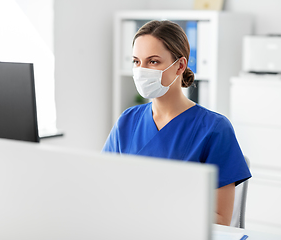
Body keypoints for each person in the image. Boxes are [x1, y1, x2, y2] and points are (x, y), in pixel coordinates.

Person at [102, 20, 251, 226]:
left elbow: (220, 219)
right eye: (136, 61)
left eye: (153, 61)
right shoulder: (127, 121)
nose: (141, 70)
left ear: (180, 65)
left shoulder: (214, 129)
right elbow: (104, 191)